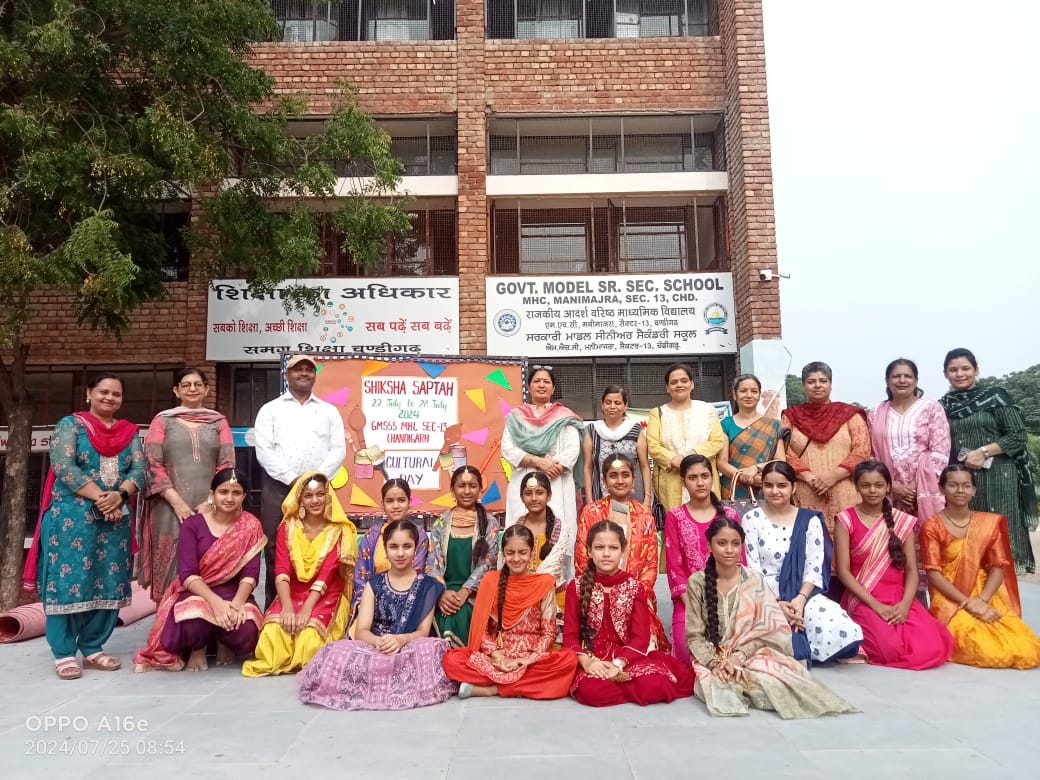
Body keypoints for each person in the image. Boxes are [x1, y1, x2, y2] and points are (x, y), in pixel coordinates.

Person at [28, 373, 145, 680]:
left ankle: (93, 648)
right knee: (69, 580)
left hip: (115, 518)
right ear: (89, 394)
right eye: (103, 392)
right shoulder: (71, 426)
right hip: (72, 518)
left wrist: (118, 496)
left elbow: (139, 468)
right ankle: (64, 652)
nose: (109, 398)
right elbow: (64, 466)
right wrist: (102, 497)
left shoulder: (129, 431)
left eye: (116, 394)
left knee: (109, 578)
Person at [684, 517, 856, 719]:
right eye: (721, 543)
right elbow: (694, 636)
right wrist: (715, 664)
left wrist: (738, 656)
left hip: (751, 653)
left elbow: (768, 631)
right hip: (712, 656)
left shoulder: (753, 579)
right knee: (718, 687)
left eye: (735, 543)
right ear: (709, 546)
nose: (729, 550)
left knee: (778, 683)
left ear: (742, 545)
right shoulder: (697, 582)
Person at [297, 519, 456, 710]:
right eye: (393, 546)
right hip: (376, 648)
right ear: (385, 550)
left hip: (408, 649)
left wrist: (400, 640)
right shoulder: (373, 584)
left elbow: (423, 631)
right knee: (335, 651)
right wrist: (381, 643)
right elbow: (362, 630)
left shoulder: (428, 586)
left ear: (416, 549)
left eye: (407, 546)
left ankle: (379, 683)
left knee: (430, 648)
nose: (400, 553)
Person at [134, 468, 265, 672]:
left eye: (236, 493)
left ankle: (225, 642)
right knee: (193, 618)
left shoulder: (250, 525)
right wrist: (217, 604)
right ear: (212, 495)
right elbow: (187, 574)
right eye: (223, 492)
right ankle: (198, 648)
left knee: (247, 630)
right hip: (197, 590)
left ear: (244, 496)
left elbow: (251, 572)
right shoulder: (193, 525)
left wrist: (237, 604)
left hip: (233, 591)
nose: (229, 498)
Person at [833, 461, 952, 669]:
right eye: (865, 485)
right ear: (856, 487)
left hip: (898, 595)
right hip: (863, 596)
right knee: (887, 650)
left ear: (888, 486)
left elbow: (912, 570)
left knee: (932, 648)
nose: (872, 491)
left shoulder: (902, 520)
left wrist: (906, 604)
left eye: (879, 485)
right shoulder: (845, 520)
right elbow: (843, 571)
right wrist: (876, 605)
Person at [742, 462, 862, 665]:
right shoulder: (751, 519)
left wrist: (799, 600)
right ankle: (795, 642)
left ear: (793, 487)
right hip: (763, 594)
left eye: (782, 485)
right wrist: (777, 604)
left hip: (803, 591)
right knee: (761, 625)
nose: (775, 491)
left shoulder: (809, 520)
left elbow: (814, 566)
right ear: (761, 487)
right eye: (768, 485)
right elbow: (753, 569)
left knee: (837, 624)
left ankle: (799, 642)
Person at [919, 465, 1040, 669]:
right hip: (949, 595)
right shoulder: (932, 525)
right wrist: (968, 603)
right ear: (941, 489)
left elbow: (997, 567)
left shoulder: (987, 523)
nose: (960, 490)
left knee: (1026, 649)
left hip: (985, 591)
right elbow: (934, 574)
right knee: (982, 648)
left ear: (974, 490)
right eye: (953, 485)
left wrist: (981, 600)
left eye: (966, 485)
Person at [565, 521, 694, 707]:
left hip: (627, 658)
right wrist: (587, 663)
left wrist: (618, 664)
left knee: (656, 686)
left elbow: (640, 638)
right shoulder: (575, 587)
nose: (607, 553)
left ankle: (622, 684)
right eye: (600, 547)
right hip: (593, 659)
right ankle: (628, 687)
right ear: (590, 551)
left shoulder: (634, 587)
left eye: (613, 548)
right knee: (593, 691)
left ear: (623, 551)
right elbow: (570, 637)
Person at [442, 525, 578, 699]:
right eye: (510, 553)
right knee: (452, 659)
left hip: (531, 658)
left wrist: (528, 659)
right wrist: (500, 658)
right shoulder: (490, 581)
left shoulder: (544, 583)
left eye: (522, 552)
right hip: (497, 656)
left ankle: (492, 689)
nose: (516, 558)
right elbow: (482, 632)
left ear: (531, 551)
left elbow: (549, 632)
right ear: (503, 553)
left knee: (568, 660)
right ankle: (522, 686)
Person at [242, 472, 358, 676]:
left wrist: (306, 610)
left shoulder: (338, 531)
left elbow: (326, 576)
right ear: (300, 499)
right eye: (308, 495)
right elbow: (282, 571)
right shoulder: (287, 528)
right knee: (273, 634)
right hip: (292, 592)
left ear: (328, 497)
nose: (315, 500)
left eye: (320, 494)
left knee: (310, 637)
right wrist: (287, 607)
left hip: (326, 593)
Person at [254, 354, 347, 605]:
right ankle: (275, 610)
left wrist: (314, 481)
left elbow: (338, 449)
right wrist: (294, 480)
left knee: (322, 547)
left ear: (315, 375)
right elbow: (264, 450)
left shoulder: (328, 411)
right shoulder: (270, 410)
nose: (304, 373)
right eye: (298, 369)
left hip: (319, 489)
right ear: (288, 374)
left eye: (309, 369)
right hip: (278, 488)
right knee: (276, 549)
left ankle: (318, 609)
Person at [139, 367, 235, 603]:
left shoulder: (218, 422)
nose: (192, 389)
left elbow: (227, 464)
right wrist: (178, 503)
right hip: (169, 505)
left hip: (212, 507)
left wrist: (211, 502)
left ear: (206, 389)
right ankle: (167, 628)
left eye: (198, 384)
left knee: (209, 561)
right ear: (176, 390)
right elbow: (152, 463)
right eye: (186, 385)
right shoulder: (162, 421)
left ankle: (206, 626)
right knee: (171, 565)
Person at [940, 347, 1037, 574]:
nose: (960, 373)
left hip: (999, 479)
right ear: (945, 374)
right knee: (967, 544)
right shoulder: (943, 405)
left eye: (965, 368)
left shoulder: (995, 396)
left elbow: (1017, 436)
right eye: (953, 370)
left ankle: (1004, 605)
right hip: (961, 481)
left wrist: (983, 452)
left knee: (999, 542)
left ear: (976, 370)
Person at [574, 454, 669, 651]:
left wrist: (628, 595)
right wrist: (603, 593)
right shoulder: (591, 512)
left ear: (634, 480)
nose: (620, 481)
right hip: (596, 595)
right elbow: (582, 558)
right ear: (605, 481)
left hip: (634, 597)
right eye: (613, 475)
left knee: (645, 655)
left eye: (625, 475)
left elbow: (650, 566)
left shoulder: (645, 516)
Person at [501, 366, 584, 580]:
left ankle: (557, 590)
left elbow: (572, 449)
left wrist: (555, 466)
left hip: (557, 483)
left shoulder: (564, 417)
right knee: (520, 534)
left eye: (546, 381)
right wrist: (539, 462)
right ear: (528, 386)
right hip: (524, 483)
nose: (541, 385)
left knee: (558, 532)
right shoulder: (516, 418)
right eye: (536, 381)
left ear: (553, 387)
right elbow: (507, 448)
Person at [663, 454, 741, 665]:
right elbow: (675, 570)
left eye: (705, 476)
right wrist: (696, 608)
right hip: (690, 601)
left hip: (728, 600)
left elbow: (740, 564)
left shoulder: (730, 516)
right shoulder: (675, 516)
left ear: (712, 477)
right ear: (683, 481)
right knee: (688, 653)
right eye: (693, 477)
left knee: (735, 650)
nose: (700, 483)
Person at [781, 361, 870, 532]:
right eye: (811, 381)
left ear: (831, 384)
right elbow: (784, 453)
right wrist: (811, 479)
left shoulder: (849, 414)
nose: (817, 386)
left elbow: (861, 451)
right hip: (806, 492)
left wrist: (833, 476)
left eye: (823, 381)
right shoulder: (791, 416)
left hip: (845, 492)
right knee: (810, 544)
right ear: (803, 385)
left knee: (847, 544)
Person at [427, 466, 501, 646]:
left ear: (480, 489)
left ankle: (457, 668)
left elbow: (487, 564)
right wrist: (442, 593)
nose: (467, 491)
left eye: (472, 486)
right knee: (435, 615)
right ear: (452, 490)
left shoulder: (490, 523)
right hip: (443, 594)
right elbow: (432, 563)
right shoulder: (441, 523)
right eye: (461, 486)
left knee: (455, 617)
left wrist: (464, 592)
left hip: (476, 594)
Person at [647, 362, 726, 509]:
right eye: (674, 382)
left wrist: (687, 457)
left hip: (702, 478)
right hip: (671, 479)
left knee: (708, 525)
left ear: (692, 384)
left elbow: (716, 441)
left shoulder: (707, 410)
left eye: (684, 381)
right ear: (667, 388)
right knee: (674, 522)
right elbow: (653, 446)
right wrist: (673, 460)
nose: (679, 385)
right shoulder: (657, 413)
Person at [353, 479, 430, 610]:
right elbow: (361, 577)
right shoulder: (371, 537)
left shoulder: (419, 535)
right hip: (373, 602)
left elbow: (418, 572)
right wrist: (366, 605)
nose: (396, 506)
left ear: (409, 502)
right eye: (390, 501)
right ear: (382, 504)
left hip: (409, 602)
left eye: (401, 500)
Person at [716, 374, 787, 500]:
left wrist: (756, 469)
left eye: (754, 391)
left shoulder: (774, 425)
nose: (749, 395)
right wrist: (744, 477)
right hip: (732, 487)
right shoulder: (725, 424)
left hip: (764, 485)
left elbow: (780, 461)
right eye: (743, 391)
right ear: (734, 395)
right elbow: (721, 462)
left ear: (759, 395)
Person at [582, 385, 652, 506]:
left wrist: (647, 499)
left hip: (634, 498)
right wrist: (589, 500)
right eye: (608, 402)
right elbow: (588, 467)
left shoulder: (635, 430)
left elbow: (644, 466)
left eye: (617, 403)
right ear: (602, 405)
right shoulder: (592, 430)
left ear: (625, 406)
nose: (612, 406)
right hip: (600, 497)